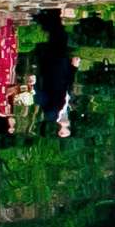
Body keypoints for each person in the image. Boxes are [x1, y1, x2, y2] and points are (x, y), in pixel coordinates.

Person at [33, 7, 76, 139]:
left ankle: (44, 16)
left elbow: (41, 98)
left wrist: (34, 83)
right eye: (68, 127)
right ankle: (49, 15)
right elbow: (69, 86)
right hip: (63, 69)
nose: (67, 125)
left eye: (64, 129)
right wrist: (74, 67)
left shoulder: (51, 114)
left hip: (51, 72)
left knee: (57, 40)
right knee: (60, 38)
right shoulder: (69, 108)